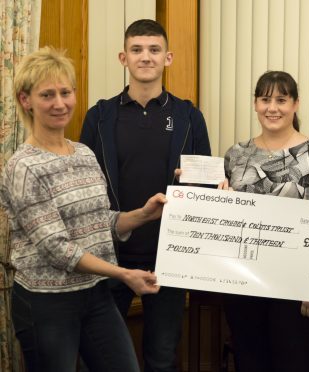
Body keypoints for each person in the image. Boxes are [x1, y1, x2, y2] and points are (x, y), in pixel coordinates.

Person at [0, 46, 166, 372]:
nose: (59, 103)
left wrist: (143, 214)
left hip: (95, 295)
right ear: (25, 100)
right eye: (47, 94)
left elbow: (98, 222)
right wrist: (123, 273)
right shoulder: (24, 167)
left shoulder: (84, 155)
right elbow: (57, 249)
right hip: (47, 304)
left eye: (65, 92)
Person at [80, 19, 211, 371]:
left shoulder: (188, 116)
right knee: (103, 359)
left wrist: (206, 185)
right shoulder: (99, 116)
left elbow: (208, 186)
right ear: (123, 57)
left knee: (162, 359)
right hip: (111, 257)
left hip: (170, 257)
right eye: (137, 50)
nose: (145, 57)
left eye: (154, 50)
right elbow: (86, 189)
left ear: (167, 58)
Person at [219, 70, 309, 372]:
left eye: (281, 100)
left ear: (296, 104)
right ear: (255, 104)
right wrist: (219, 200)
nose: (272, 107)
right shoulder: (236, 155)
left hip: (297, 286)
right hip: (244, 283)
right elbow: (224, 221)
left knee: (296, 362)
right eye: (265, 99)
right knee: (250, 362)